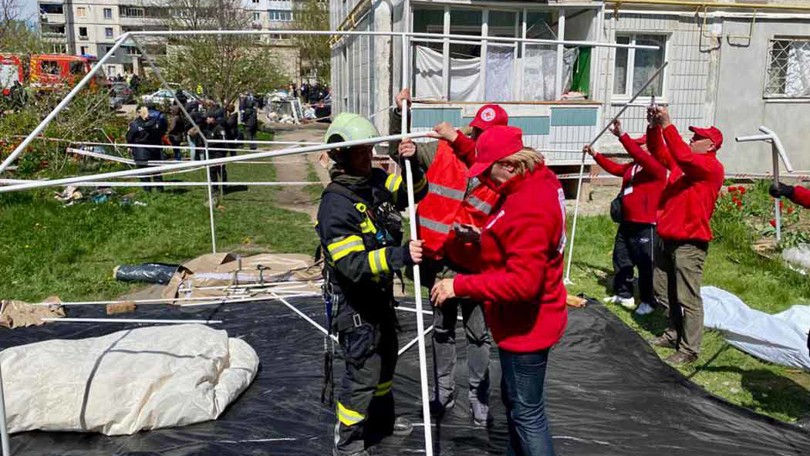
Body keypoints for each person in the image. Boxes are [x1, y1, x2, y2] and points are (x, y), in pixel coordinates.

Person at [431, 125, 567, 456]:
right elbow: (517, 242)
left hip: (527, 330)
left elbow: (523, 282)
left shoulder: (529, 206)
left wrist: (458, 284)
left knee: (527, 414)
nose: (487, 183)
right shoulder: (533, 179)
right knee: (518, 405)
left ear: (510, 165)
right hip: (520, 323)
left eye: (490, 174)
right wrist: (485, 238)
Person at [389, 89, 503, 426]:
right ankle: (443, 393)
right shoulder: (441, 151)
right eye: (476, 133)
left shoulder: (500, 173)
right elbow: (403, 148)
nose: (478, 139)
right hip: (439, 262)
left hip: (475, 267)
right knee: (441, 329)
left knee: (478, 333)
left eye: (486, 135)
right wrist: (401, 121)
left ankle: (478, 397)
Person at [317, 112, 429, 456]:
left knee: (386, 364)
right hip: (355, 304)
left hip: (380, 299)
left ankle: (380, 422)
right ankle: (348, 444)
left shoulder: (375, 180)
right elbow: (352, 266)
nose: (369, 158)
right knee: (363, 374)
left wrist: (410, 164)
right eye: (361, 153)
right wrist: (399, 257)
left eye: (370, 151)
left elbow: (412, 194)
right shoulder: (336, 207)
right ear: (341, 156)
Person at [647, 106, 725, 365]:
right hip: (667, 237)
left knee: (687, 297)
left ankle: (689, 349)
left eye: (697, 138)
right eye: (691, 137)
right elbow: (658, 150)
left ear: (710, 146)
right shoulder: (684, 167)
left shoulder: (710, 168)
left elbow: (680, 152)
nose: (691, 140)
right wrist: (654, 126)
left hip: (690, 243)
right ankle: (673, 332)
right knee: (664, 290)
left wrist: (668, 122)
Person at [584, 119, 667, 316]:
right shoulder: (633, 167)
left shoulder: (656, 167)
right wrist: (596, 155)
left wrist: (622, 136)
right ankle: (624, 293)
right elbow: (615, 169)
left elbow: (638, 154)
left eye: (641, 145)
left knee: (646, 264)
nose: (638, 148)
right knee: (621, 258)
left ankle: (649, 300)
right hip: (627, 222)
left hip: (646, 224)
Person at [126, 105, 164, 192]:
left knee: (143, 173)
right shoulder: (155, 123)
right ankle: (160, 190)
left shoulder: (135, 125)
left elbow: (129, 137)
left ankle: (147, 191)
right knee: (157, 172)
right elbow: (160, 133)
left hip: (140, 152)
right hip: (154, 150)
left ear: (139, 113)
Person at [195, 111, 228, 204]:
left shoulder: (219, 128)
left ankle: (224, 186)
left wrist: (210, 143)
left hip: (218, 152)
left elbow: (223, 140)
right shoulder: (206, 127)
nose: (207, 119)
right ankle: (215, 187)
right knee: (211, 170)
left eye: (209, 117)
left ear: (213, 118)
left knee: (220, 169)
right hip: (209, 152)